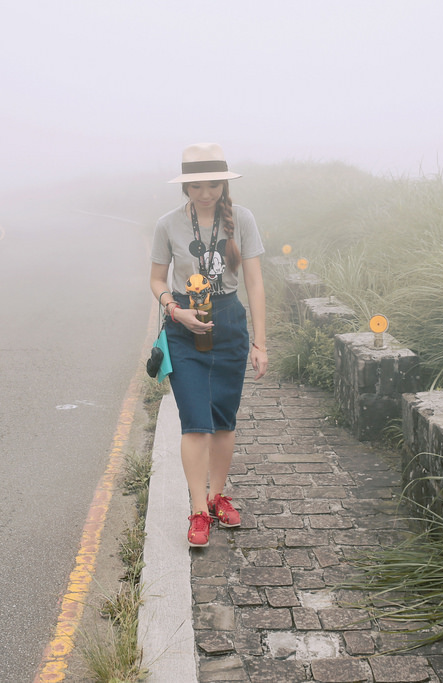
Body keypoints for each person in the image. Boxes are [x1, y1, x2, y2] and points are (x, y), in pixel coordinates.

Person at [149, 142, 268, 548]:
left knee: (223, 420)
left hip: (230, 324)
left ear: (223, 183)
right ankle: (199, 509)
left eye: (213, 184)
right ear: (185, 185)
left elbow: (254, 283)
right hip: (183, 325)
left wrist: (261, 344)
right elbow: (156, 279)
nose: (205, 193)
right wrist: (173, 309)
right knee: (196, 421)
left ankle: (218, 497)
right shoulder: (168, 224)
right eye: (197, 185)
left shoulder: (243, 220)